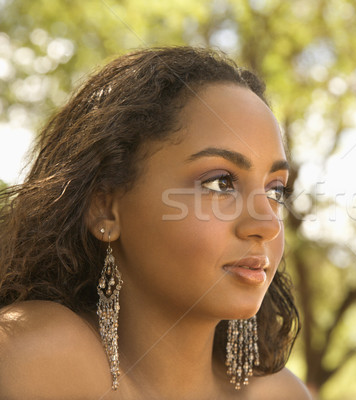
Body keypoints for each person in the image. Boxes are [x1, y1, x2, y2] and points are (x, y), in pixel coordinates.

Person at [0, 46, 311, 399]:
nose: (268, 224)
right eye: (220, 182)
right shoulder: (36, 355)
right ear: (105, 208)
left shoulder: (281, 393)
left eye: (275, 190)